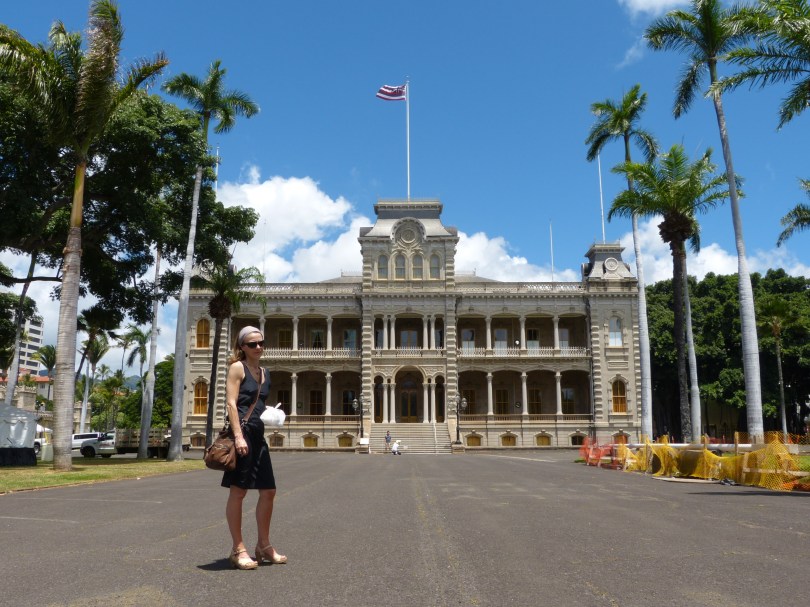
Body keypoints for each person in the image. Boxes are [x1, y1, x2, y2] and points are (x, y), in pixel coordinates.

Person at [221, 326, 287, 570]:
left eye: (261, 342)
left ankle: (264, 546)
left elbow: (258, 403)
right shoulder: (237, 368)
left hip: (258, 436)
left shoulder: (264, 373)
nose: (258, 347)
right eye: (252, 344)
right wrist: (238, 436)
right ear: (242, 347)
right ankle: (238, 549)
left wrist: (273, 415)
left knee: (268, 490)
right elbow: (231, 402)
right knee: (239, 492)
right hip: (243, 434)